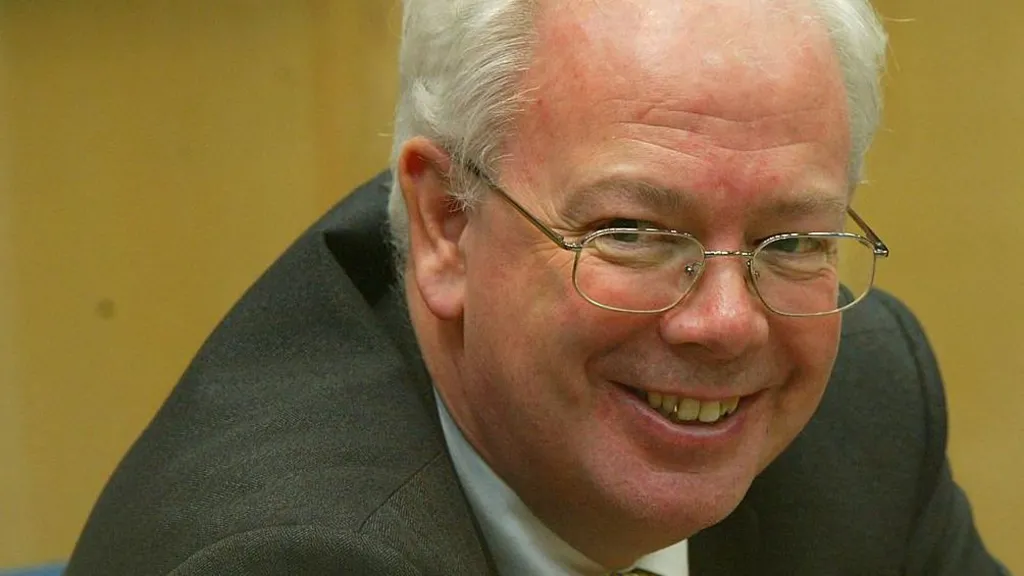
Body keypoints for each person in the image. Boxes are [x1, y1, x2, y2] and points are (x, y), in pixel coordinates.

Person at [66, 0, 1010, 574]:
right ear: (447, 223)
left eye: (792, 239)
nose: (728, 323)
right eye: (635, 233)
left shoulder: (862, 412)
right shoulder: (287, 559)